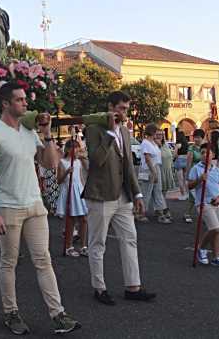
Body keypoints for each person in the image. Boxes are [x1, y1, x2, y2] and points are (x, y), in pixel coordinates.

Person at [0, 82, 80, 335]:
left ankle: (58, 314)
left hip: (35, 204)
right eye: (20, 100)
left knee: (43, 260)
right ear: (5, 103)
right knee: (9, 262)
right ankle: (10, 312)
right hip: (8, 206)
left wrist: (46, 134)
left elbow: (49, 163)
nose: (26, 103)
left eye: (26, 99)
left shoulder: (28, 130)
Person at [83, 91, 156, 307]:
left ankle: (133, 287)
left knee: (130, 239)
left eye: (126, 109)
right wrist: (110, 133)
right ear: (110, 107)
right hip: (100, 195)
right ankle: (99, 287)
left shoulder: (125, 131)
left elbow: (127, 167)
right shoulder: (94, 130)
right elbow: (97, 161)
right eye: (121, 109)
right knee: (98, 243)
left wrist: (137, 194)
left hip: (123, 196)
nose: (124, 113)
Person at [189, 144, 219, 268]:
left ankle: (216, 257)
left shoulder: (217, 170)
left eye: (208, 152)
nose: (205, 155)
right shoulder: (196, 169)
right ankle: (201, 248)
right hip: (203, 203)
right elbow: (189, 186)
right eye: (202, 152)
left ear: (212, 155)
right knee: (215, 228)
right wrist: (199, 179)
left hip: (217, 203)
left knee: (218, 232)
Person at [56, 139, 89, 257]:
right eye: (74, 148)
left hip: (79, 191)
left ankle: (83, 246)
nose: (77, 151)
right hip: (68, 190)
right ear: (69, 149)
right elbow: (58, 180)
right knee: (71, 220)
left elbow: (81, 177)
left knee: (84, 219)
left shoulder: (79, 162)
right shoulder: (62, 162)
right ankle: (68, 247)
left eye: (78, 148)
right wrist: (66, 173)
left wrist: (85, 190)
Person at [139, 124, 170, 224]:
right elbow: (147, 159)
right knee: (146, 192)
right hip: (149, 169)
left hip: (156, 167)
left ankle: (160, 213)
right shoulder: (145, 143)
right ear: (152, 132)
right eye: (156, 131)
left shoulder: (153, 143)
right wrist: (154, 172)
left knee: (158, 191)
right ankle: (141, 213)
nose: (157, 133)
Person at [184, 129, 206, 223]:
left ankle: (205, 214)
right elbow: (188, 162)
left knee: (204, 194)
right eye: (195, 137)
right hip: (194, 173)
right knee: (193, 196)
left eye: (199, 137)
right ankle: (187, 213)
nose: (196, 139)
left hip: (203, 172)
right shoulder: (191, 148)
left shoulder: (204, 148)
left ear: (202, 138)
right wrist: (187, 176)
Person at [158, 132, 176, 218]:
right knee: (159, 192)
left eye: (161, 134)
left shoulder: (165, 145)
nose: (160, 136)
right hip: (159, 171)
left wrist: (172, 168)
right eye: (157, 134)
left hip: (167, 170)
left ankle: (159, 209)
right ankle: (164, 209)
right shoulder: (154, 145)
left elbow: (170, 157)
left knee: (164, 192)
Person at [174, 130, 189, 199]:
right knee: (185, 179)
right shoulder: (186, 143)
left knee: (180, 179)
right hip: (186, 159)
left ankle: (183, 195)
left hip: (179, 159)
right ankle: (188, 194)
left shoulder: (178, 143)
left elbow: (175, 153)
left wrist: (175, 158)